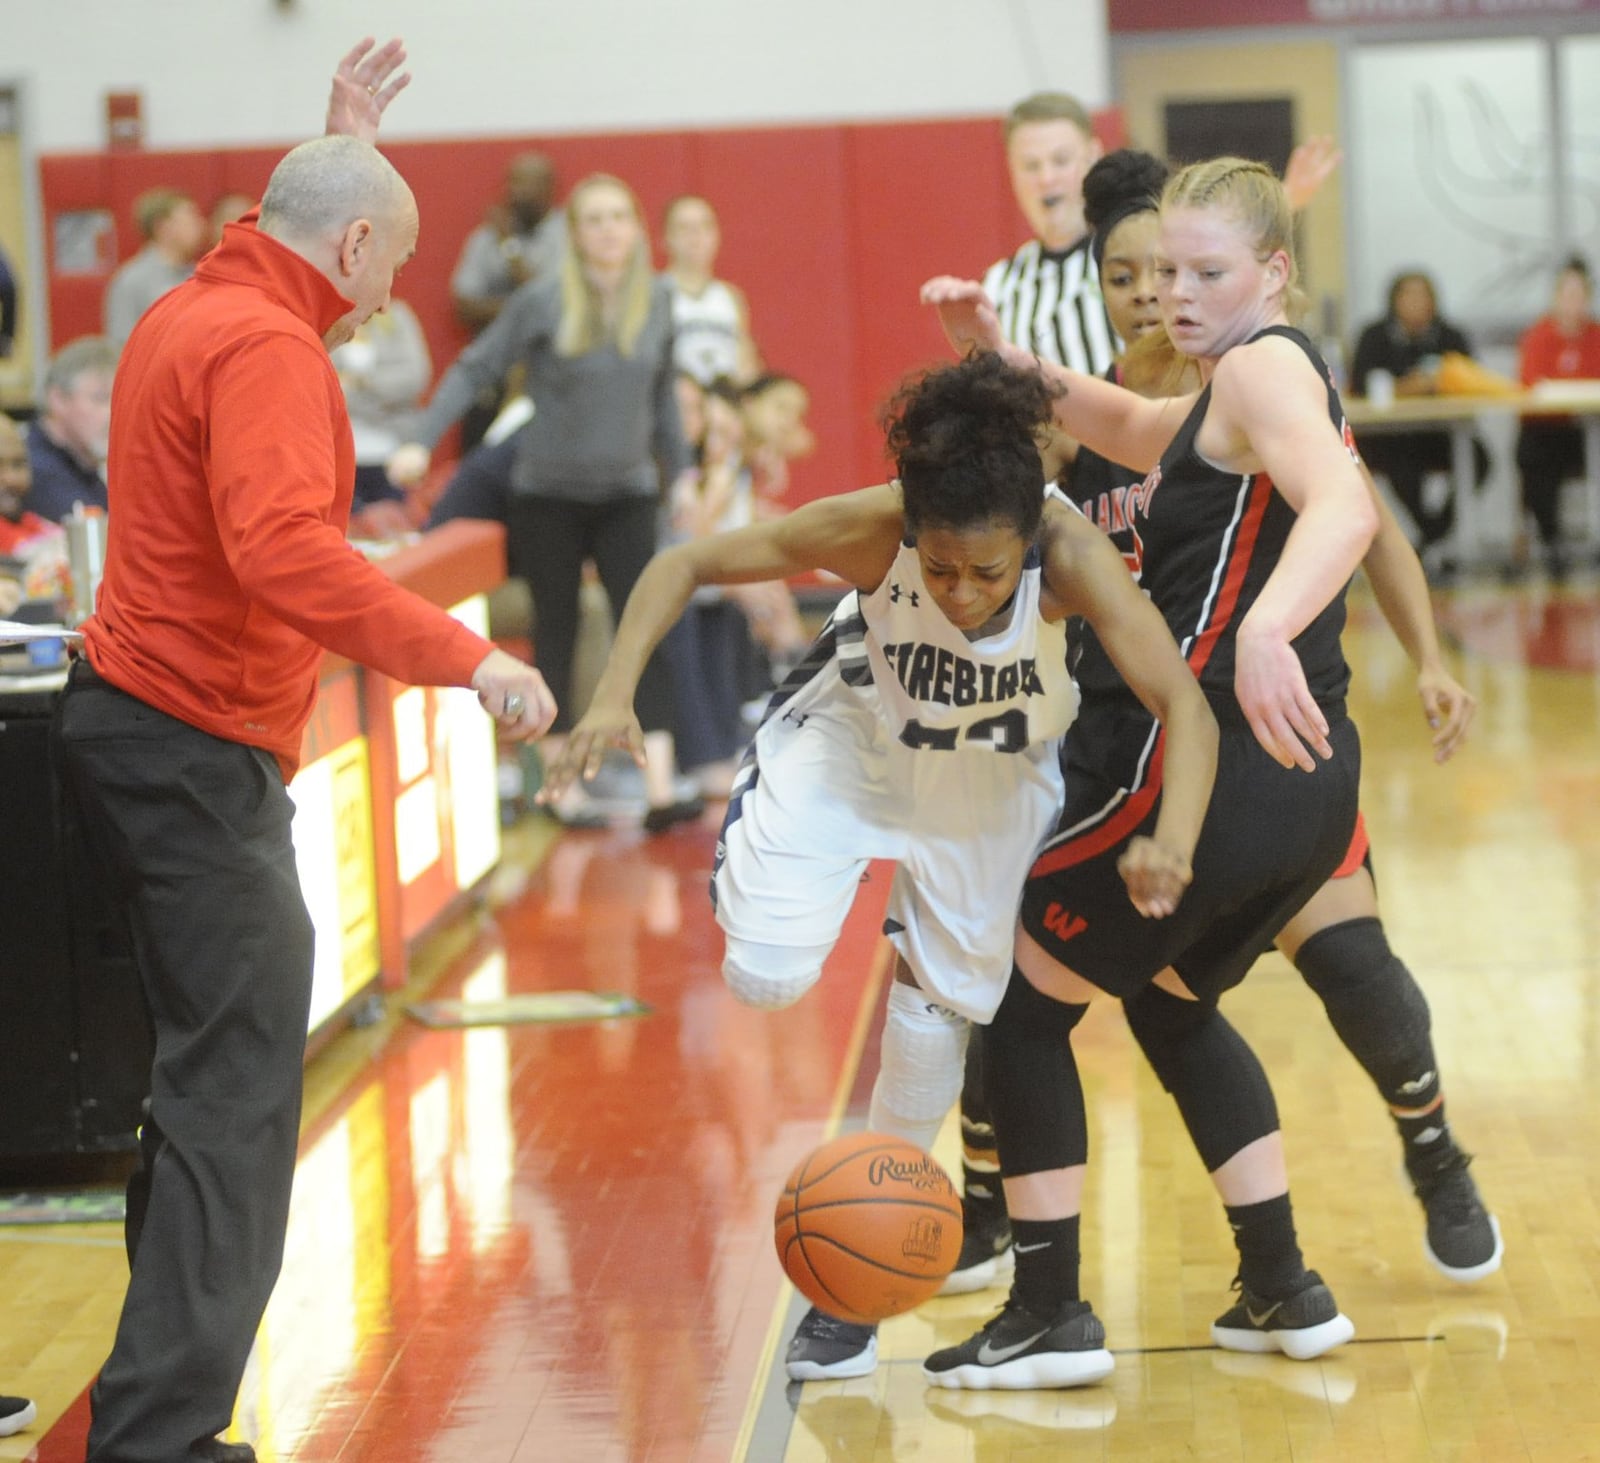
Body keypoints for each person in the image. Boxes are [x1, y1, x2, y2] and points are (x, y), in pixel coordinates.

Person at [53, 42, 556, 1463]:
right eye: (388, 261)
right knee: (237, 1092)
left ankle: (140, 1408)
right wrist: (474, 653)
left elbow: (291, 237)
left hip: (132, 732)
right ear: (346, 246)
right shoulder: (269, 343)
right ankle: (155, 1436)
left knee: (202, 1080)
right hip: (188, 749)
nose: (393, 294)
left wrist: (339, 146)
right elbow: (282, 552)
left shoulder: (197, 302)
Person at [541, 347, 1220, 1382]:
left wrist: (1170, 839)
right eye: (937, 565)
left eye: (985, 572)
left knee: (930, 1014)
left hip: (988, 775)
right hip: (858, 735)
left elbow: (1186, 702)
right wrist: (612, 693)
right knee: (763, 972)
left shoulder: (1071, 555)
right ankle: (806, 850)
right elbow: (679, 562)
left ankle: (853, 1296)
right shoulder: (868, 525)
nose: (957, 590)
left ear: (1027, 540)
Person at [918, 155, 1381, 1389]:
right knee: (1171, 1001)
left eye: (1205, 271)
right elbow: (1126, 428)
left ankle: (1048, 1310)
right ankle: (1282, 1284)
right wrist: (1001, 356)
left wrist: (1270, 627)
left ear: (1272, 273)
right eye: (1163, 269)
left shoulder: (1263, 361)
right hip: (1302, 789)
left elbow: (1345, 502)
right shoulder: (1228, 386)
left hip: (1223, 763)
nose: (1174, 292)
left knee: (1019, 1000)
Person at [1066, 147, 1498, 1287]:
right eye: (1132, 274)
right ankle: (1007, 1211)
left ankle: (1430, 1150)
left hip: (1273, 727)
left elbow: (1366, 518)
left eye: (1176, 270)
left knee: (1347, 963)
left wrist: (1429, 654)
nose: (1156, 292)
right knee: (1076, 982)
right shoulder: (1122, 409)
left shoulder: (1263, 375)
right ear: (1103, 287)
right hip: (1151, 749)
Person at [391, 172, 699, 832]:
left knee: (645, 630)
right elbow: (477, 366)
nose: (609, 230)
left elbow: (664, 399)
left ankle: (662, 788)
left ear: (637, 230)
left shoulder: (661, 301)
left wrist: (685, 475)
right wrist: (421, 440)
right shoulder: (543, 300)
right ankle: (563, 787)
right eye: (594, 219)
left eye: (620, 216)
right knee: (555, 632)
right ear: (576, 234)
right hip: (548, 495)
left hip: (628, 493)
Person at [1350, 270, 1491, 580]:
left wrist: (1439, 384)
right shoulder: (1373, 336)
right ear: (1394, 301)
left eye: (1423, 296)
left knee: (1479, 461)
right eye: (1408, 296)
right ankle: (1430, 539)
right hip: (1391, 436)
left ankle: (1430, 538)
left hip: (1440, 433)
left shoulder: (1450, 336)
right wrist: (1405, 387)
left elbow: (1470, 379)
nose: (1416, 303)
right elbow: (1358, 385)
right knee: (1400, 467)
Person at [450, 152, 566, 451]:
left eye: (528, 184)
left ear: (549, 188)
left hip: (546, 374)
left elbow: (549, 303)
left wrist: (509, 246)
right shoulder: (485, 238)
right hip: (493, 370)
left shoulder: (565, 234)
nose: (517, 192)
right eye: (513, 183)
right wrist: (520, 307)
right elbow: (464, 305)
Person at [1515, 255, 1600, 578]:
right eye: (1567, 294)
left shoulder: (1596, 336)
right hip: (1547, 429)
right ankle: (1553, 540)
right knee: (1534, 458)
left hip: (1588, 428)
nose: (1574, 303)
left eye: (1580, 295)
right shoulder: (1538, 337)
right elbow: (1531, 385)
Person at [331, 295, 432, 537]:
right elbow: (322, 385)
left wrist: (360, 385)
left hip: (391, 452)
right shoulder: (329, 317)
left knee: (397, 534)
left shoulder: (396, 316)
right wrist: (381, 399)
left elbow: (415, 377)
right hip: (338, 454)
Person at [662, 194, 761, 387]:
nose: (695, 236)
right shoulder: (654, 292)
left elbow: (745, 362)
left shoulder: (730, 297)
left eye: (704, 227)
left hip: (724, 406)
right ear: (666, 237)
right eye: (684, 228)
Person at [22, 336, 116, 520]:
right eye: (100, 398)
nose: (112, 413)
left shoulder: (83, 465)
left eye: (118, 400)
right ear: (58, 399)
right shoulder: (31, 470)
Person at [102, 187, 209, 348]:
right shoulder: (131, 281)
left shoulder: (199, 275)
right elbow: (121, 346)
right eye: (190, 218)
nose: (200, 225)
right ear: (163, 227)